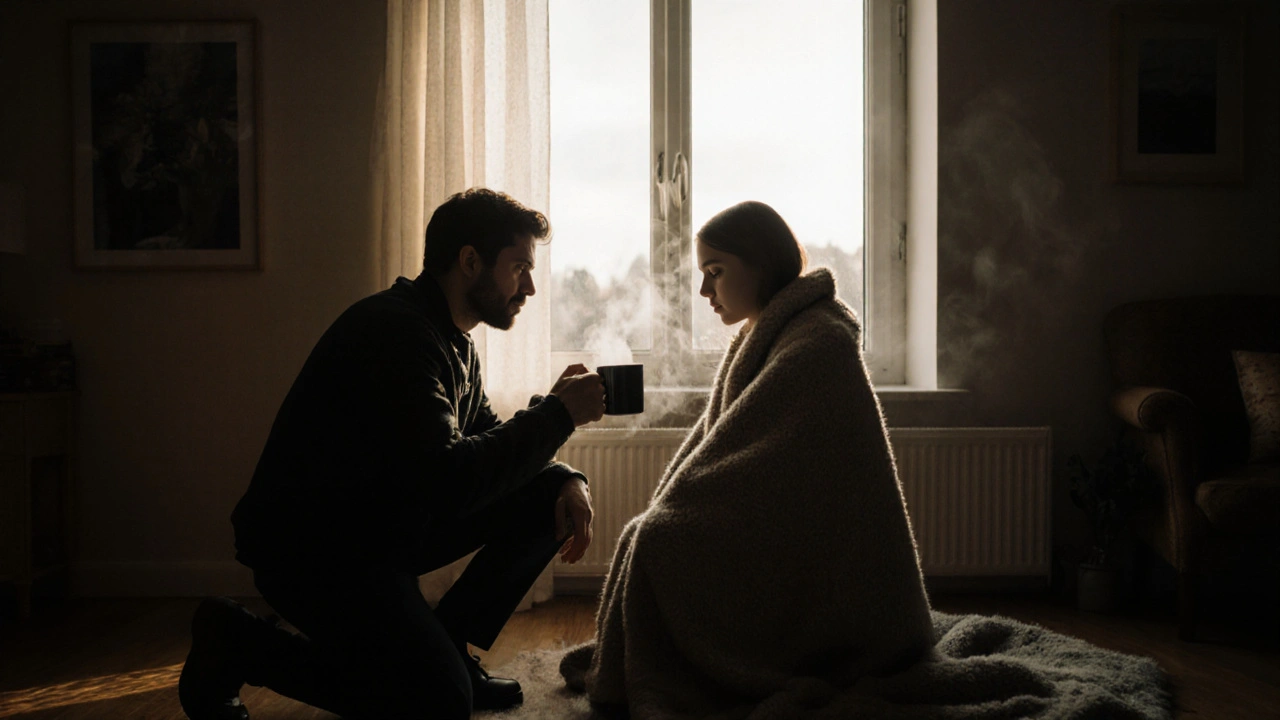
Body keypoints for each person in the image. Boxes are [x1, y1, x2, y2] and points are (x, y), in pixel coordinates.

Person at [179, 188, 605, 720]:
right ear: (470, 261)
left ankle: (448, 645)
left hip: (377, 533)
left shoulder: (452, 341)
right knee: (437, 702)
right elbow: (450, 481)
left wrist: (565, 477)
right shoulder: (396, 333)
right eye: (519, 267)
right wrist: (558, 414)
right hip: (314, 553)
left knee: (543, 493)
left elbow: (488, 449)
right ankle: (237, 641)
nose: (531, 286)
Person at [560, 201, 935, 718]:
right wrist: (674, 504)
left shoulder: (818, 340)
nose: (704, 292)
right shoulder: (767, 331)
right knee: (646, 534)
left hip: (827, 550)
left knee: (657, 541)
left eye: (715, 273)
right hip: (785, 519)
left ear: (760, 263)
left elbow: (766, 458)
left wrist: (676, 513)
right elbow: (725, 442)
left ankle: (683, 669)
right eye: (701, 275)